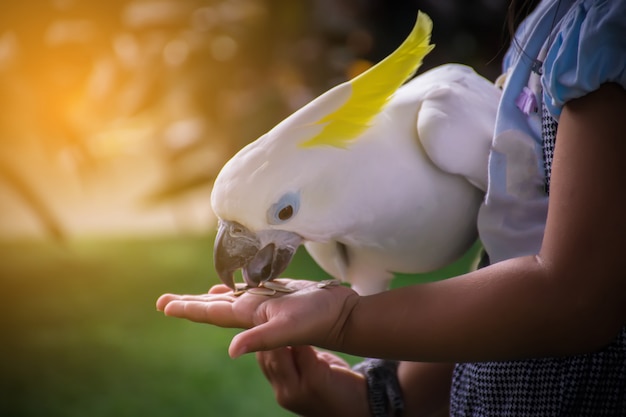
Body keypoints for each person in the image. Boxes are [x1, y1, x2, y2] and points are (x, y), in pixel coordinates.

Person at [157, 0, 626, 415]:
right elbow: (504, 267)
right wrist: (379, 394)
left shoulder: (448, 114)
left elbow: (574, 295)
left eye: (282, 212)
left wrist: (345, 321)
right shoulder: (545, 23)